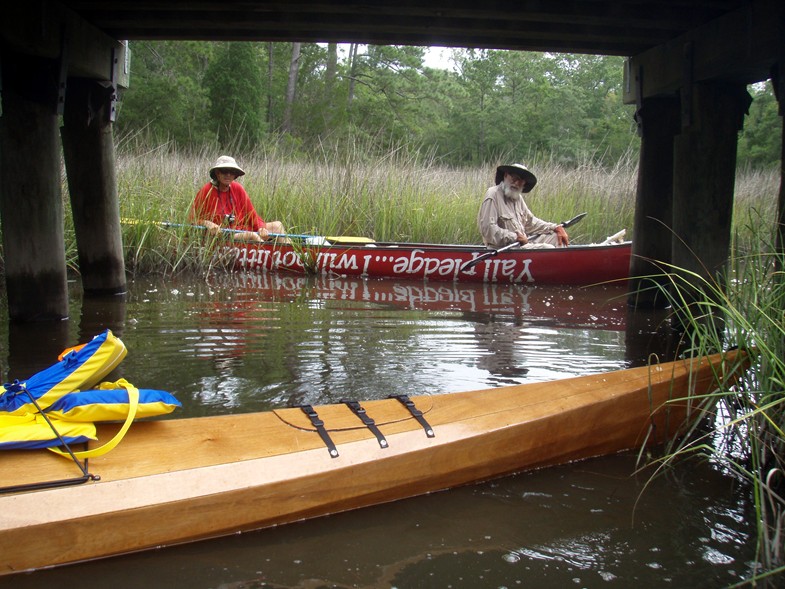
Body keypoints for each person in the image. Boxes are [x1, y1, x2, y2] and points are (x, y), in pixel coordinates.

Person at [189, 155, 287, 242]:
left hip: (241, 229)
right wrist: (207, 223)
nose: (228, 175)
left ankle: (294, 255)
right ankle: (268, 255)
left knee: (277, 226)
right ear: (217, 173)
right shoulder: (206, 191)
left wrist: (261, 228)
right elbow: (191, 220)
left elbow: (252, 215)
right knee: (252, 236)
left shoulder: (238, 188)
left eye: (231, 172)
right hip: (221, 235)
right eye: (224, 171)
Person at [477, 163, 569, 249]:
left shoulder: (517, 198)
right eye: (514, 178)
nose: (516, 183)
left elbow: (530, 222)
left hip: (522, 245)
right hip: (505, 249)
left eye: (521, 180)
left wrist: (554, 227)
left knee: (557, 238)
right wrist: (515, 237)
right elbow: (488, 229)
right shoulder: (493, 194)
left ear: (524, 183)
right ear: (505, 175)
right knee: (547, 248)